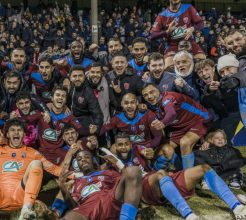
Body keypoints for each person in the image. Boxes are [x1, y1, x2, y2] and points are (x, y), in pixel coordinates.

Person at [108, 133, 246, 219]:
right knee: (161, 174)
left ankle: (236, 207)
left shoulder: (138, 150)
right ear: (114, 147)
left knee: (204, 169)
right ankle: (189, 215)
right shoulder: (110, 164)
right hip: (145, 188)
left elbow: (156, 143)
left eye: (126, 144)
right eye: (120, 145)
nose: (124, 147)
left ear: (131, 144)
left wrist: (151, 154)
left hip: (164, 181)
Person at [141, 83, 211, 169]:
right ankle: (177, 172)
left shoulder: (168, 98)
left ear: (158, 91)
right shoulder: (152, 106)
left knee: (185, 143)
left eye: (152, 92)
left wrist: (163, 123)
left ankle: (189, 179)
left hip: (199, 119)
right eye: (145, 95)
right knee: (164, 149)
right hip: (180, 127)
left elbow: (171, 113)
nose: (149, 96)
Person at [58, 149, 142, 220]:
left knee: (133, 170)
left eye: (87, 157)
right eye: (79, 159)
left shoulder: (108, 172)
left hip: (110, 199)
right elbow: (73, 206)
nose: (83, 160)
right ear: (78, 165)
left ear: (93, 161)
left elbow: (129, 183)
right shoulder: (76, 183)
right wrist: (62, 188)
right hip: (88, 208)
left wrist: (116, 163)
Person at [150, 0, 206, 69]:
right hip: (173, 45)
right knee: (168, 68)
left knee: (203, 64)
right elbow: (152, 35)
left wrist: (192, 28)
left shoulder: (188, 8)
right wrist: (167, 31)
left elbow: (201, 23)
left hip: (189, 42)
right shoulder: (162, 15)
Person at [68, 65, 103, 131]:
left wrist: (97, 127)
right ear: (70, 77)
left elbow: (97, 113)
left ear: (85, 77)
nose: (77, 78)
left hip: (84, 125)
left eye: (80, 76)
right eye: (74, 76)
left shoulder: (88, 91)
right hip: (71, 123)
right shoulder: (69, 87)